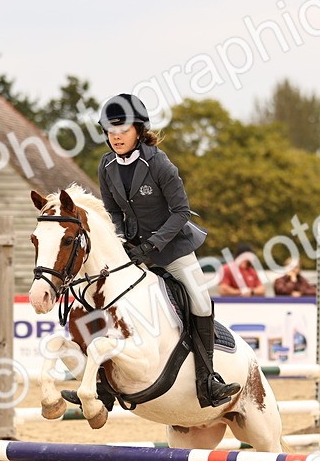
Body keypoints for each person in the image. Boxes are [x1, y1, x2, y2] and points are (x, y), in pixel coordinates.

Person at [63, 92, 239, 409]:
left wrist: (152, 245)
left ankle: (208, 380)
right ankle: (102, 384)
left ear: (139, 130)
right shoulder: (106, 166)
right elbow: (114, 212)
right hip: (132, 251)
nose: (116, 136)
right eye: (110, 130)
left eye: (123, 129)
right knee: (99, 298)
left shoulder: (158, 163)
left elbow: (181, 212)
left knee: (200, 300)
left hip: (173, 249)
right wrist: (121, 243)